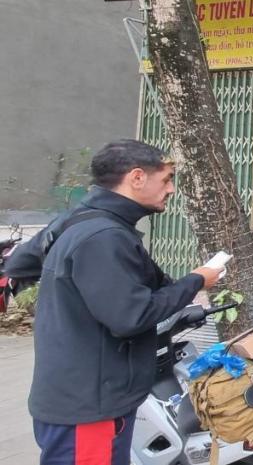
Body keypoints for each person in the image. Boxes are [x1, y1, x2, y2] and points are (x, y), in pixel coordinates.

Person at [27, 140, 222, 465]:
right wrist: (198, 280)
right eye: (166, 179)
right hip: (88, 408)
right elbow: (132, 315)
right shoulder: (102, 238)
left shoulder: (103, 227)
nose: (171, 189)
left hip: (92, 398)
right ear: (136, 178)